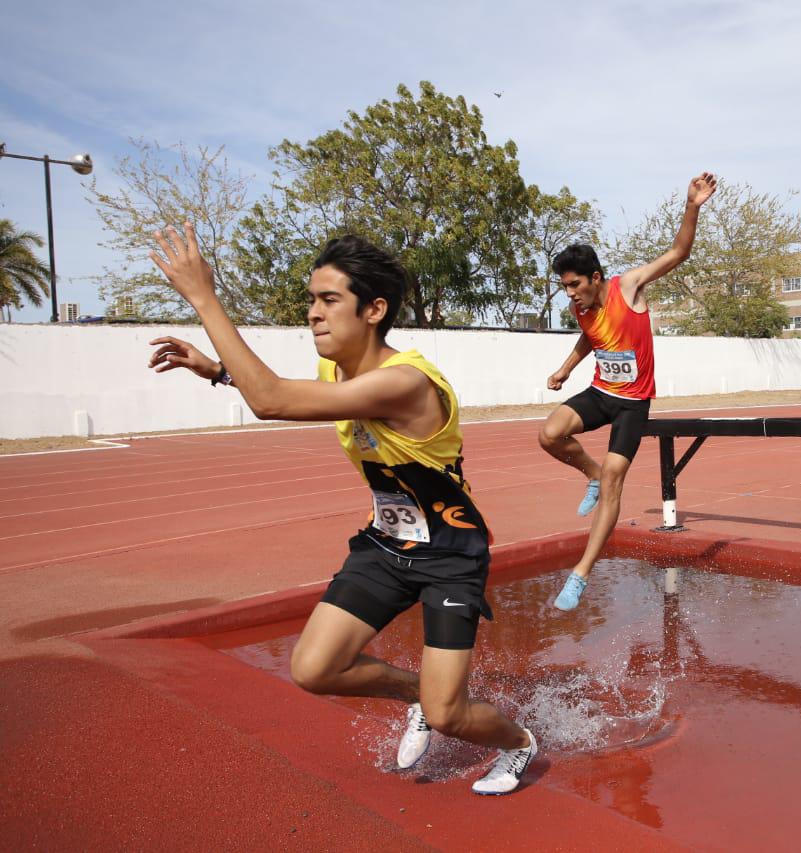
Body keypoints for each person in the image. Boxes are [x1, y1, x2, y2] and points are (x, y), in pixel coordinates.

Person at [145, 225, 536, 795]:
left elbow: (272, 400)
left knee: (453, 713)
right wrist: (218, 371)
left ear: (374, 310)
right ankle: (418, 699)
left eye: (329, 301)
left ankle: (519, 743)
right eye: (311, 300)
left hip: (449, 554)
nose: (313, 313)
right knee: (314, 669)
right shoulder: (339, 369)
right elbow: (286, 389)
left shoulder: (405, 382)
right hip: (387, 542)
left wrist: (204, 296)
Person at [539, 172, 718, 611]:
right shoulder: (580, 308)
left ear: (595, 277)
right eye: (564, 287)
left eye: (574, 285)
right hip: (601, 392)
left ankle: (581, 573)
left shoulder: (629, 286)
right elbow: (590, 338)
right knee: (549, 434)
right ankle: (591, 474)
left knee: (618, 478)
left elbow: (680, 252)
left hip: (632, 404)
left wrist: (692, 204)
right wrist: (564, 369)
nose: (570, 295)